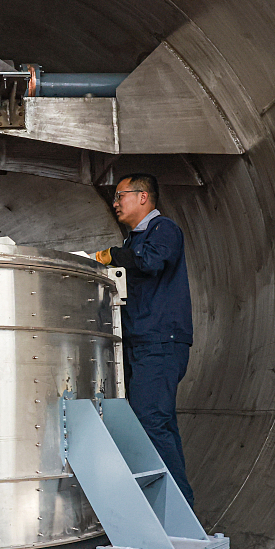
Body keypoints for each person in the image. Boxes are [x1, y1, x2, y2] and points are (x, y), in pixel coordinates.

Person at [93, 173, 195, 507]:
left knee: (150, 421)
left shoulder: (163, 229)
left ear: (143, 197)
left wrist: (112, 256)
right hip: (143, 342)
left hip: (161, 342)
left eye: (120, 195)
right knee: (157, 423)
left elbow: (151, 262)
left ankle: (176, 513)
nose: (116, 202)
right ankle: (180, 514)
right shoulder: (132, 242)